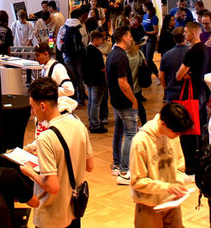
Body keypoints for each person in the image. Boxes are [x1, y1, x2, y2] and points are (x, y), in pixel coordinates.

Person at [21, 77, 93, 228]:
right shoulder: (78, 124)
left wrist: (30, 172)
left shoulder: (45, 138)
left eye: (32, 107)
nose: (32, 112)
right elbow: (89, 165)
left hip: (52, 216)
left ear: (42, 106)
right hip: (74, 209)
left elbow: (53, 187)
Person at [129, 103, 192, 228]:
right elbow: (137, 181)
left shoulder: (173, 135)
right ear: (163, 123)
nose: (178, 136)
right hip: (149, 206)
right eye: (176, 132)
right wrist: (167, 187)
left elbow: (179, 166)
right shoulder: (140, 142)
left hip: (172, 203)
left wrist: (177, 185)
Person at [106, 27, 139, 185]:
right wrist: (133, 100)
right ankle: (124, 171)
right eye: (130, 36)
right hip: (124, 102)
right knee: (130, 134)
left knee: (118, 133)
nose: (131, 39)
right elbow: (123, 83)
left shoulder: (112, 54)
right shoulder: (121, 56)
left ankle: (118, 164)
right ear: (124, 37)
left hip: (115, 101)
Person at [175, 21, 207, 173]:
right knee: (198, 129)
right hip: (200, 93)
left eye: (186, 32)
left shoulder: (193, 51)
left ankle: (190, 166)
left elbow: (179, 75)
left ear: (193, 33)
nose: (184, 35)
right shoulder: (204, 49)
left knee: (188, 131)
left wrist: (186, 74)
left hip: (192, 96)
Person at [82, 30, 107, 133]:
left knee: (91, 102)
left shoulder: (85, 50)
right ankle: (95, 125)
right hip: (97, 81)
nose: (102, 42)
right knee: (96, 103)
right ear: (96, 39)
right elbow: (102, 68)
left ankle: (91, 121)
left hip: (88, 80)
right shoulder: (96, 52)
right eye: (101, 39)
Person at [159, 27, 187, 103]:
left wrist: (166, 88)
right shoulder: (192, 52)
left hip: (172, 93)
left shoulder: (166, 55)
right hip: (187, 93)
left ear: (174, 39)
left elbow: (161, 76)